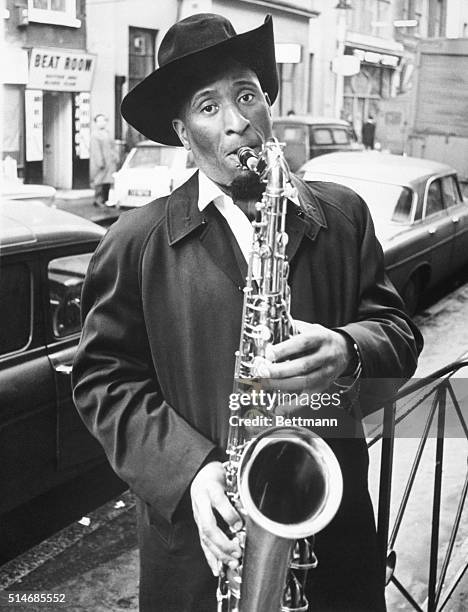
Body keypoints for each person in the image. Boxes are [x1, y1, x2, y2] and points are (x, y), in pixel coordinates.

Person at [72, 13, 423, 612]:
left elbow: (400, 335)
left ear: (267, 103)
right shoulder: (134, 242)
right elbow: (103, 381)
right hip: (203, 546)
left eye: (246, 95)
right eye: (209, 108)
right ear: (183, 134)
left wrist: (348, 347)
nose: (236, 123)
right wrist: (190, 472)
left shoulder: (341, 218)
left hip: (332, 535)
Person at [90, 113, 117, 206]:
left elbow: (112, 147)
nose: (102, 123)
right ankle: (98, 200)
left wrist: (115, 156)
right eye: (99, 121)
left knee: (108, 181)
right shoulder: (95, 135)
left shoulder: (108, 133)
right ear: (96, 123)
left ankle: (106, 199)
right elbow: (96, 150)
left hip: (110, 162)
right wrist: (100, 163)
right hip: (102, 163)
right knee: (100, 181)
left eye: (103, 120)